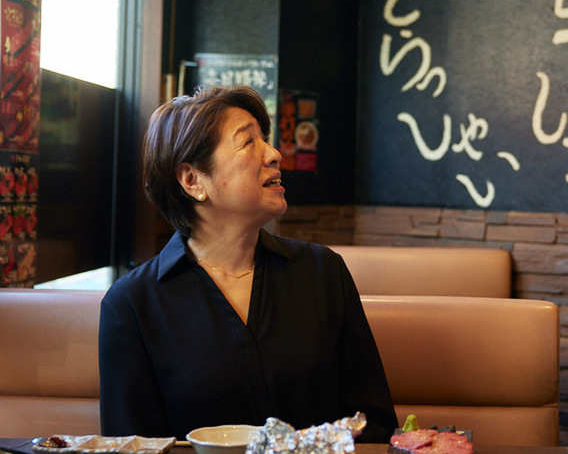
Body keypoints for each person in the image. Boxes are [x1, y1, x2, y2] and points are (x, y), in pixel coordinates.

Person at [99, 86, 397, 442]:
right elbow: (131, 447)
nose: (274, 155)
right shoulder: (133, 304)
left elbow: (374, 425)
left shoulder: (323, 272)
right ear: (193, 180)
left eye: (266, 140)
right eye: (247, 142)